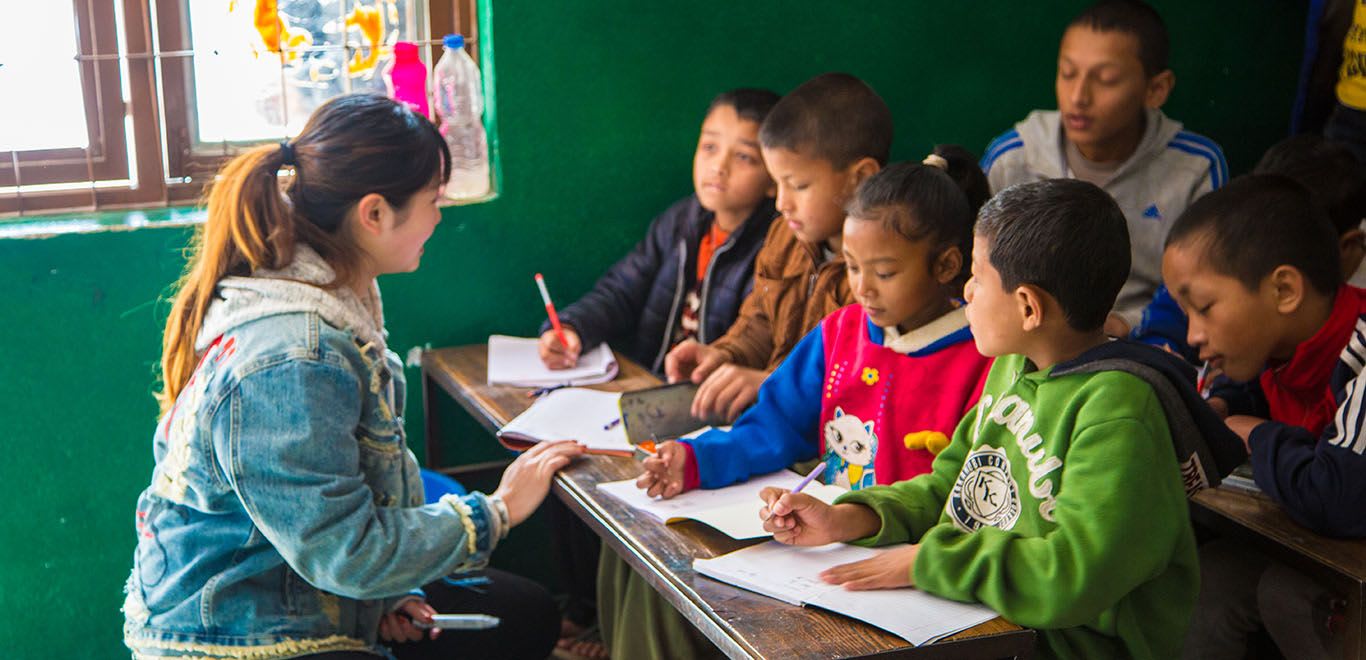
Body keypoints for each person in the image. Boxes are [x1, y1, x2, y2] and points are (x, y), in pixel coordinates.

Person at [121, 94, 584, 660]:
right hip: (233, 633)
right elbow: (342, 552)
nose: (439, 218)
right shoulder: (294, 359)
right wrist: (499, 509)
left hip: (299, 582)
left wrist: (392, 592)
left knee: (525, 615)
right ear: (373, 214)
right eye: (432, 202)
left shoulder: (331, 293)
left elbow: (352, 497)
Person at [762, 179, 1236, 659]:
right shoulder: (1013, 364)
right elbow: (949, 484)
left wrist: (926, 562)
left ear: (1028, 307)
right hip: (987, 622)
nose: (965, 291)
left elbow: (1072, 575)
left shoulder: (1119, 410)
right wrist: (848, 517)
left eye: (977, 277)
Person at [637, 153, 992, 499]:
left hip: (911, 554)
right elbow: (775, 425)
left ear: (945, 266)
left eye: (884, 273)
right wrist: (696, 460)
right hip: (825, 539)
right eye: (852, 267)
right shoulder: (840, 332)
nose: (863, 289)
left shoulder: (983, 359)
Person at [1164, 175, 1366, 659]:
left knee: (1289, 594)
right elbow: (1248, 388)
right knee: (1210, 577)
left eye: (1205, 308)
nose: (1193, 335)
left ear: (1284, 290)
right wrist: (1222, 406)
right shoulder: (1276, 347)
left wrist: (1255, 434)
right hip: (1321, 552)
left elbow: (1335, 496)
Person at [981, 0, 1226, 337]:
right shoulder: (1014, 158)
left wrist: (1123, 326)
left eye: (1106, 79)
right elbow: (980, 277)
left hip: (1142, 342)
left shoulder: (1195, 168)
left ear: (1156, 89)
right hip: (1029, 340)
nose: (1078, 96)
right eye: (1067, 74)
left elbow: (1205, 292)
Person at [664, 72, 891, 422]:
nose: (782, 203)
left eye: (797, 185)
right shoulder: (786, 237)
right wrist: (724, 354)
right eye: (777, 184)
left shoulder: (883, 270)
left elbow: (866, 381)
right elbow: (760, 321)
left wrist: (771, 384)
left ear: (860, 177)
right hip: (772, 431)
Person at [536, 88, 779, 374]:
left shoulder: (773, 250)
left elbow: (753, 342)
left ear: (775, 176)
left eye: (744, 157)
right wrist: (572, 327)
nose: (718, 166)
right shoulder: (679, 222)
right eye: (710, 147)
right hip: (652, 385)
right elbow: (620, 292)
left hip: (711, 400)